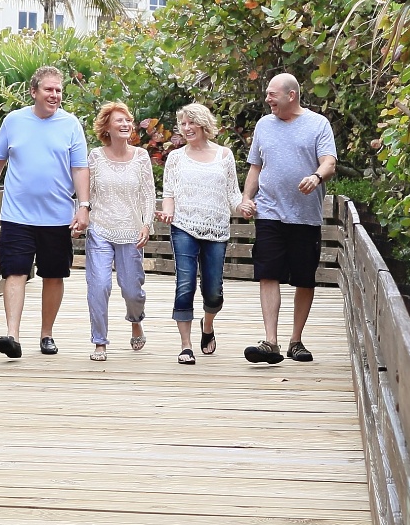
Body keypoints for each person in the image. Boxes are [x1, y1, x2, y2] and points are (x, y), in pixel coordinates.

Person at [0, 65, 90, 359]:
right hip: (17, 216)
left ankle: (46, 334)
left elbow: (80, 168)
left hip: (57, 217)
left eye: (58, 90)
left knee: (53, 275)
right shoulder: (14, 121)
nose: (54, 95)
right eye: (49, 90)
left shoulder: (71, 125)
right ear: (34, 92)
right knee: (14, 272)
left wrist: (84, 206)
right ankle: (12, 335)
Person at [238, 73, 337, 364]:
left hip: (306, 216)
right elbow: (255, 167)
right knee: (268, 273)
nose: (267, 99)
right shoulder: (263, 125)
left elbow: (329, 162)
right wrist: (247, 198)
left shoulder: (318, 124)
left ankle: (296, 341)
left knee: (304, 279)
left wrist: (316, 177)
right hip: (269, 211)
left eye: (272, 94)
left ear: (291, 95)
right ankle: (271, 342)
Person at [157, 103, 244, 365]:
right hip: (183, 226)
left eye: (191, 123)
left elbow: (233, 196)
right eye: (183, 124)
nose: (186, 128)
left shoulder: (224, 156)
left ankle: (208, 325)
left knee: (213, 290)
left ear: (204, 125)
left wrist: (246, 206)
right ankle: (186, 346)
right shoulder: (175, 158)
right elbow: (169, 193)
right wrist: (168, 212)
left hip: (216, 229)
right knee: (185, 285)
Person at [84, 102, 154, 362]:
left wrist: (146, 224)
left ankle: (136, 320)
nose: (125, 125)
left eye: (128, 120)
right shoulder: (95, 156)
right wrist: (81, 215)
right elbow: (86, 192)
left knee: (131, 290)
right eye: (119, 121)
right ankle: (100, 341)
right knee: (99, 285)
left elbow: (148, 193)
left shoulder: (141, 156)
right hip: (100, 228)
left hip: (131, 232)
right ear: (107, 127)